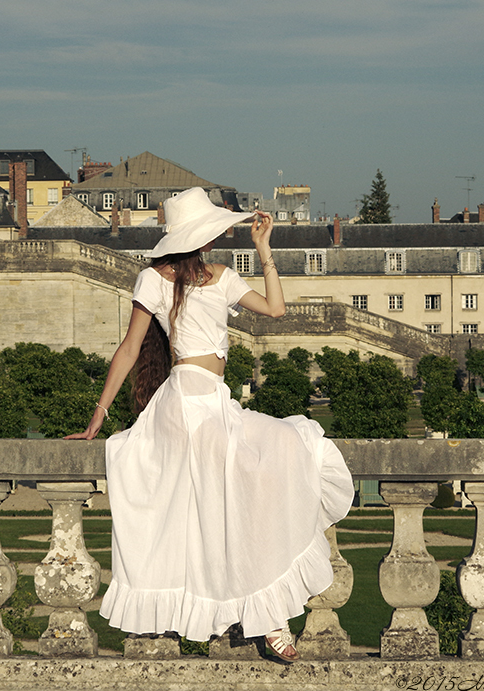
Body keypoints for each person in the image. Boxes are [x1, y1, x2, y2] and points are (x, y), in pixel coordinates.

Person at [67, 187, 353, 662]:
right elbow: (130, 348)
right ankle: (269, 617)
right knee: (240, 479)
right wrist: (98, 415)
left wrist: (265, 252)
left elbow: (276, 310)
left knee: (281, 449)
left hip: (217, 401)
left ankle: (266, 608)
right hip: (183, 403)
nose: (214, 240)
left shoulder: (222, 277)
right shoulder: (153, 280)